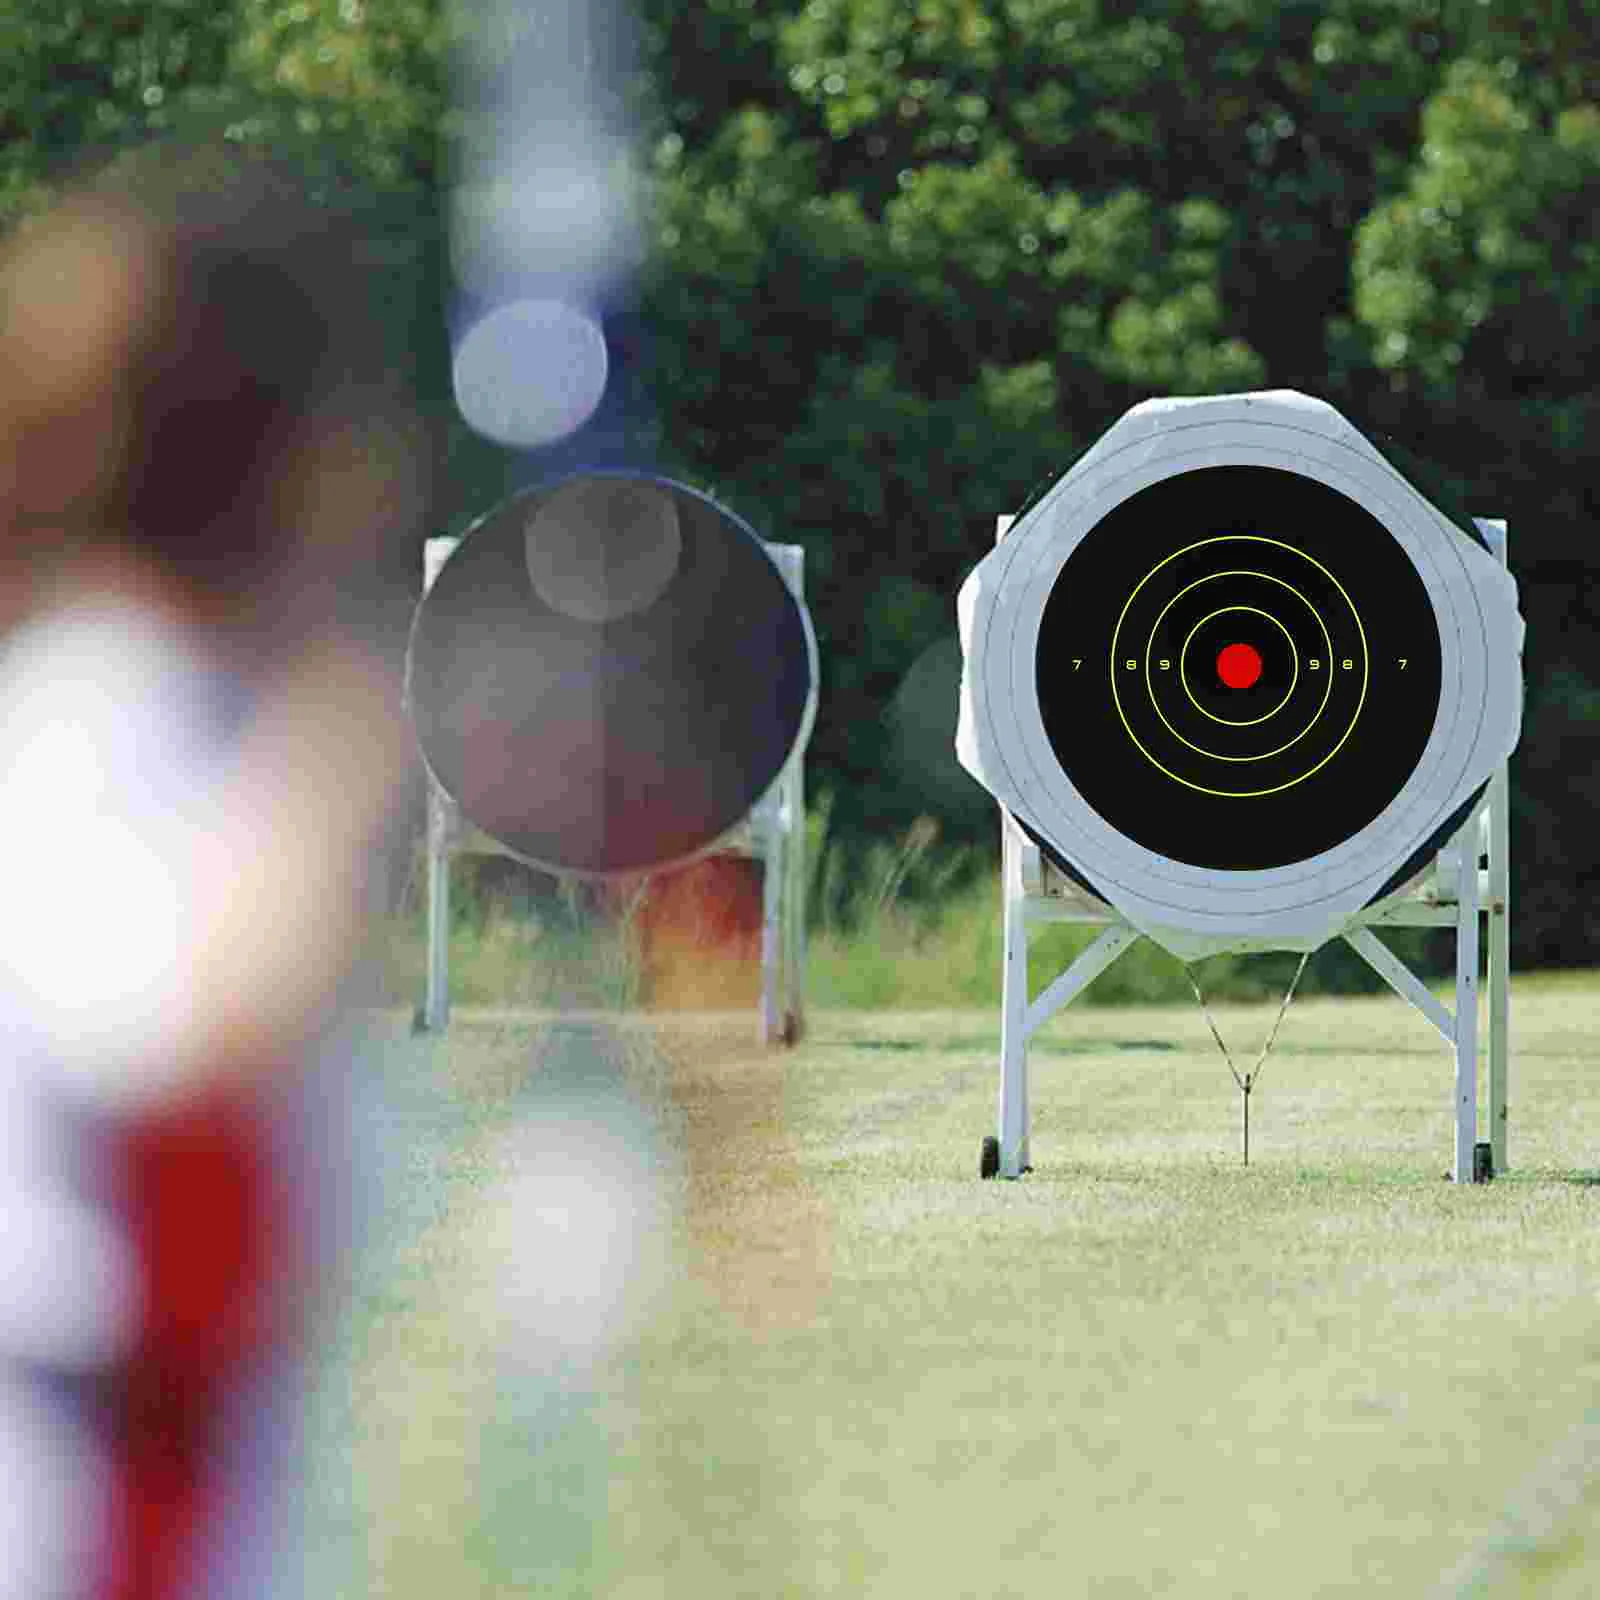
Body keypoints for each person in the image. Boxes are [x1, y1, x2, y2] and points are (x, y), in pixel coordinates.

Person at [0, 140, 429, 1599]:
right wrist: (339, 753)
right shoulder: (90, 703)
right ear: (292, 458)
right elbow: (170, 1035)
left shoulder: (179, 705)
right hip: (85, 1501)